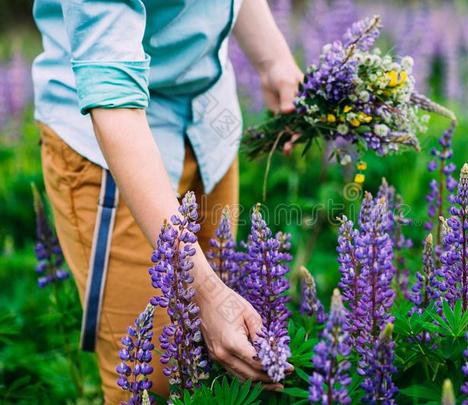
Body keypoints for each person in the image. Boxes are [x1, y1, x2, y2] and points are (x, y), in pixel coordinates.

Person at [31, 0, 303, 402]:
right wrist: (206, 292)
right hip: (113, 148)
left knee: (223, 365)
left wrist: (272, 57)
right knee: (156, 384)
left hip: (209, 121)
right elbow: (112, 93)